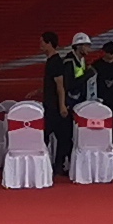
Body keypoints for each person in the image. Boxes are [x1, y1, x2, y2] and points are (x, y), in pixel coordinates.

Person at [38, 28, 83, 173]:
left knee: (58, 136)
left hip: (55, 106)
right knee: (60, 136)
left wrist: (62, 105)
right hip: (51, 104)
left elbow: (60, 86)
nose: (40, 45)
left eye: (42, 42)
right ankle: (57, 165)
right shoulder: (51, 61)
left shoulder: (56, 62)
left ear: (49, 43)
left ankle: (56, 164)